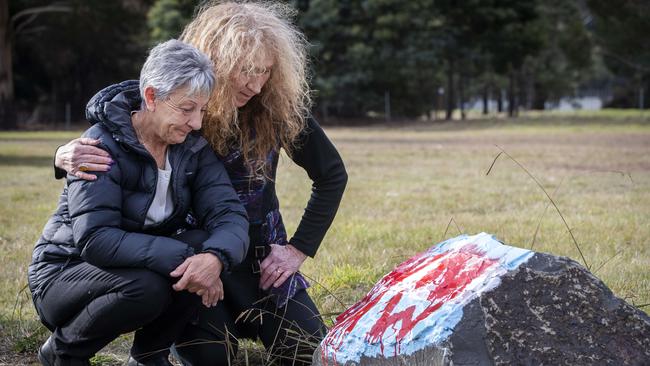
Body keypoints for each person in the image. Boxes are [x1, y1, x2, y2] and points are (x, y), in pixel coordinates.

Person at [53, 1, 348, 365]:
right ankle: (154, 346)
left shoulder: (278, 109)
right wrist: (61, 154)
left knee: (307, 351)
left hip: (261, 263)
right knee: (210, 358)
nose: (256, 84)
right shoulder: (183, 108)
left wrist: (297, 249)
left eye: (265, 71)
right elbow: (128, 118)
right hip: (194, 263)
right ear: (217, 63)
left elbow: (332, 174)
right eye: (246, 70)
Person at [29, 39, 250, 366]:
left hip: (132, 267)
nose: (197, 123)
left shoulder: (192, 149)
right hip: (66, 272)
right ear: (151, 97)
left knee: (205, 244)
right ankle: (62, 354)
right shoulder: (96, 147)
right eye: (187, 109)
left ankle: (149, 358)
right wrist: (190, 259)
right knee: (150, 286)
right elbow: (95, 240)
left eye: (201, 110)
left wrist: (214, 259)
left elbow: (229, 214)